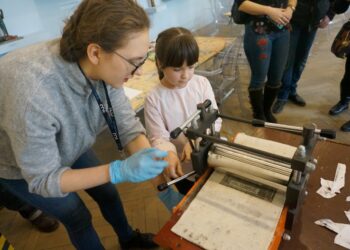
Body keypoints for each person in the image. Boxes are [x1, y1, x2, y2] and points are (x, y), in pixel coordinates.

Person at [0, 0, 170, 249]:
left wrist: (152, 161)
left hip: (68, 142)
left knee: (108, 192)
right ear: (95, 52)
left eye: (143, 59)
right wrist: (118, 170)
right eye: (134, 61)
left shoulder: (98, 66)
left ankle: (128, 240)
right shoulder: (35, 93)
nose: (140, 71)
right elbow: (44, 179)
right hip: (19, 163)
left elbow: (126, 125)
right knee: (77, 216)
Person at [144, 27, 222, 210]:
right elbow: (158, 137)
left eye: (191, 66)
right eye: (177, 69)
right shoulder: (154, 98)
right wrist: (170, 153)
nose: (186, 75)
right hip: (184, 169)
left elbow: (215, 118)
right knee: (192, 206)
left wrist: (196, 141)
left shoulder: (201, 84)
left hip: (210, 157)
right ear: (160, 63)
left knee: (214, 203)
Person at [272, 0, 335, 114]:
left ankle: (292, 90)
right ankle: (282, 95)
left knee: (301, 60)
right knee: (287, 60)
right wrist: (284, 14)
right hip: (293, 20)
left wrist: (330, 15)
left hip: (313, 22)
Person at [237, 0, 295, 122]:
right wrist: (269, 10)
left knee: (277, 76)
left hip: (282, 29)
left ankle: (266, 110)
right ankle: (258, 114)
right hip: (258, 29)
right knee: (259, 75)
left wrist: (291, 8)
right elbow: (241, 4)